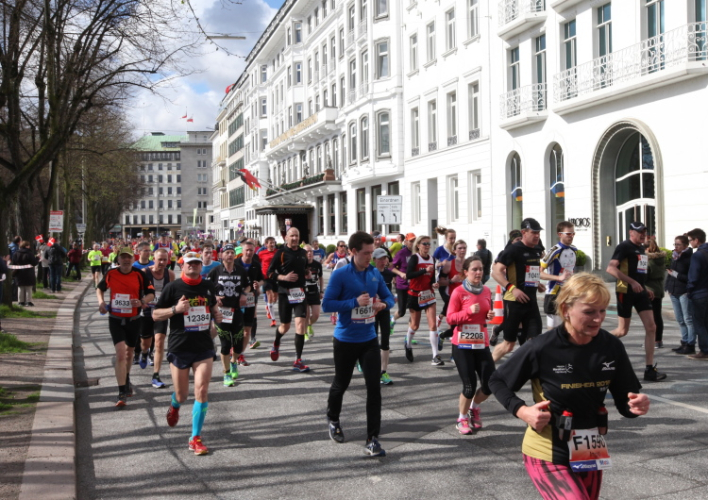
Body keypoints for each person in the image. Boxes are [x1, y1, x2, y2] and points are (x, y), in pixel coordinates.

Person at [489, 273, 650, 500]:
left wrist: (635, 405)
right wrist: (522, 411)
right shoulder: (542, 347)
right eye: (589, 312)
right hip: (547, 450)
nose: (598, 319)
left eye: (602, 311)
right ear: (566, 309)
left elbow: (626, 399)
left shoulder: (611, 346)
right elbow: (497, 380)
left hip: (589, 450)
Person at [322, 231, 394, 458]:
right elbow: (327, 305)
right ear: (353, 252)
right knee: (341, 383)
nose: (370, 257)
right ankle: (333, 418)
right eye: (366, 253)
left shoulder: (374, 273)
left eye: (372, 253)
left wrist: (383, 305)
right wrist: (354, 302)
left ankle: (372, 439)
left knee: (374, 388)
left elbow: (389, 297)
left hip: (368, 340)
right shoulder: (340, 274)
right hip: (345, 339)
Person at [152, 251, 222, 455]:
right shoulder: (172, 287)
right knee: (182, 395)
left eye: (196, 263)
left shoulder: (208, 286)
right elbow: (156, 314)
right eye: (189, 263)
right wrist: (175, 309)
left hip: (203, 346)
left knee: (202, 389)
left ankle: (195, 438)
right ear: (182, 266)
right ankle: (175, 405)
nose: (193, 266)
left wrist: (217, 316)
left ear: (201, 266)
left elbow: (213, 307)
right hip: (180, 347)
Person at [606, 221, 666, 380]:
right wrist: (632, 282)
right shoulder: (624, 247)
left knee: (651, 327)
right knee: (622, 331)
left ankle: (649, 369)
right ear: (631, 232)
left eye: (644, 232)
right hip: (625, 291)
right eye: (640, 232)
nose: (643, 235)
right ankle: (594, 341)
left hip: (640, 292)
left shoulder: (641, 248)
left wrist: (645, 288)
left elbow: (639, 272)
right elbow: (611, 268)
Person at [97, 247, 155, 407]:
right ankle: (122, 392)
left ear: (132, 259)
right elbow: (100, 288)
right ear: (118, 259)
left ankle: (126, 377)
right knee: (121, 354)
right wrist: (101, 302)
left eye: (129, 257)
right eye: (123, 257)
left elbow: (151, 294)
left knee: (129, 353)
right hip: (115, 319)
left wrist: (142, 301)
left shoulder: (139, 274)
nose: (126, 260)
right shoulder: (111, 273)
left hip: (134, 319)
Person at [446, 256, 495, 434]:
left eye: (480, 269)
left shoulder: (486, 291)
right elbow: (450, 318)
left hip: (481, 343)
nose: (478, 272)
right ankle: (461, 418)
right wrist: (467, 311)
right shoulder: (458, 292)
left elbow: (486, 313)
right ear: (466, 272)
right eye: (474, 269)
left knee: (490, 384)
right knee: (469, 386)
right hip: (462, 345)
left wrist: (488, 315)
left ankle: (474, 407)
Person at [491, 219, 546, 363]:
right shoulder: (513, 250)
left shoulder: (537, 249)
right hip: (514, 302)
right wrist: (512, 288)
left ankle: (528, 373)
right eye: (533, 232)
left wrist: (537, 284)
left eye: (538, 233)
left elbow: (529, 271)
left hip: (531, 302)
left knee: (534, 342)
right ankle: (487, 371)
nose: (537, 236)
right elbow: (496, 272)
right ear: (524, 232)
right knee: (508, 345)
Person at [267, 227, 311, 372]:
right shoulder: (280, 253)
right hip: (285, 293)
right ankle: (276, 342)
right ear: (286, 237)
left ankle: (298, 360)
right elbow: (270, 273)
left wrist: (307, 273)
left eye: (296, 236)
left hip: (300, 294)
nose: (294, 238)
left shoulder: (303, 253)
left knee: (300, 325)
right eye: (292, 236)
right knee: (285, 326)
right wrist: (283, 277)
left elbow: (304, 268)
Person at [208, 244, 250, 386]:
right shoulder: (215, 271)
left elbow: (248, 285)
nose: (230, 255)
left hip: (236, 311)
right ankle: (226, 374)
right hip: (221, 312)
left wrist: (244, 294)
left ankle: (233, 362)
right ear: (221, 255)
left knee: (238, 345)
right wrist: (215, 297)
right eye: (227, 252)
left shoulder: (241, 271)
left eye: (232, 252)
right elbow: (206, 289)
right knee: (225, 345)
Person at [138, 248, 175, 389]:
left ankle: (156, 375)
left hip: (161, 312)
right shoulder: (144, 272)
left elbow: (172, 293)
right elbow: (138, 290)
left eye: (165, 260)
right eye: (160, 259)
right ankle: (144, 353)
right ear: (153, 259)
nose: (162, 262)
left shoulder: (170, 274)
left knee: (159, 342)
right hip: (146, 312)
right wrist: (142, 301)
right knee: (145, 342)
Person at [405, 235, 442, 365]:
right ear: (418, 245)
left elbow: (431, 278)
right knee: (415, 325)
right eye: (424, 243)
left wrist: (434, 284)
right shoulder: (415, 258)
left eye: (428, 243)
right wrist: (424, 270)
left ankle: (435, 356)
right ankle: (408, 344)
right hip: (415, 294)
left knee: (433, 325)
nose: (427, 246)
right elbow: (409, 275)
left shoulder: (432, 259)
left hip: (428, 294)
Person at [540, 221, 577, 329]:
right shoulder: (554, 251)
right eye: (568, 234)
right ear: (560, 234)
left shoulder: (574, 249)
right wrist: (558, 278)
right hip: (554, 292)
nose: (571, 236)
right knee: (553, 329)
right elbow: (539, 273)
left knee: (569, 326)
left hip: (569, 291)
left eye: (573, 233)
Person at [665, 234, 694, 354]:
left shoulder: (689, 258)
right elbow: (669, 273)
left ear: (685, 245)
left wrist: (675, 274)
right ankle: (684, 342)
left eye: (678, 244)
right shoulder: (674, 256)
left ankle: (690, 344)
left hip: (684, 292)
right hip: (673, 291)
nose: (676, 247)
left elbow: (690, 277)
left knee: (688, 319)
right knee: (680, 319)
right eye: (675, 244)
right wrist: (668, 287)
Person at [372, 247, 395, 384]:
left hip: (384, 309)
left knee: (385, 340)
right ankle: (371, 367)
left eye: (385, 258)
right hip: (372, 310)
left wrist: (388, 301)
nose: (383, 261)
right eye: (380, 259)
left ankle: (383, 371)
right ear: (374, 260)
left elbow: (389, 293)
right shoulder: (369, 273)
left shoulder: (388, 274)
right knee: (373, 340)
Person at [236, 240, 264, 352]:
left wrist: (258, 284)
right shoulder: (235, 263)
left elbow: (262, 279)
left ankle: (251, 340)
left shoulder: (256, 264)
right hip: (237, 297)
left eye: (251, 250)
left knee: (248, 324)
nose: (249, 252)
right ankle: (234, 350)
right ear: (242, 251)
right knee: (237, 327)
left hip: (251, 296)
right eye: (247, 250)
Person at [686, 228, 708, 360]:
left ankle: (704, 351)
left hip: (699, 293)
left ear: (697, 240)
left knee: (699, 323)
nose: (689, 243)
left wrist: (689, 290)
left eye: (690, 240)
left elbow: (693, 276)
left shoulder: (697, 255)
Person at [390, 233, 415, 335]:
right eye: (411, 241)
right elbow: (391, 267)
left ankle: (409, 336)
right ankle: (392, 319)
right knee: (402, 312)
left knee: (414, 311)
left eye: (414, 241)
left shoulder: (417, 253)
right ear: (405, 242)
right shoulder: (401, 253)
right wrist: (400, 273)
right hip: (402, 285)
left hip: (414, 286)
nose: (413, 243)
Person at [433, 226, 456, 331]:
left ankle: (447, 324)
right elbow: (431, 263)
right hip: (442, 280)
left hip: (454, 280)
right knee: (450, 302)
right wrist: (440, 264)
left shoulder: (456, 250)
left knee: (453, 304)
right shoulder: (440, 250)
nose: (453, 240)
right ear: (446, 238)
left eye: (454, 238)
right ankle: (444, 321)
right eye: (451, 238)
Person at [645, 238, 666, 348]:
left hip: (649, 290)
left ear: (647, 249)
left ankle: (652, 340)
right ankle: (658, 340)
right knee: (657, 316)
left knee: (650, 318)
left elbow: (643, 276)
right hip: (658, 289)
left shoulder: (647, 261)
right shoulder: (661, 260)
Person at [303, 244, 324, 342]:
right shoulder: (301, 264)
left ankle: (309, 324)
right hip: (304, 291)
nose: (309, 253)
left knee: (316, 315)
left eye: (310, 251)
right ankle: (305, 333)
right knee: (306, 314)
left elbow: (321, 278)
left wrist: (321, 291)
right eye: (307, 251)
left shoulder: (317, 264)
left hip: (314, 290)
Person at [259, 237, 279, 328]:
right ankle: (273, 320)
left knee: (275, 298)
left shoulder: (278, 252)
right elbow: (257, 263)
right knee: (270, 296)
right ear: (266, 244)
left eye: (273, 243)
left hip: (275, 277)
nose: (272, 244)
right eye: (270, 243)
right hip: (266, 277)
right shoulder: (262, 253)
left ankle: (268, 306)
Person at [12, 240, 38, 306]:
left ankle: (21, 301)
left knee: (20, 287)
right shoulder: (29, 253)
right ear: (27, 246)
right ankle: (28, 301)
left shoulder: (16, 253)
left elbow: (14, 263)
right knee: (28, 287)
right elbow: (34, 263)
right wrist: (37, 258)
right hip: (28, 272)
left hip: (19, 272)